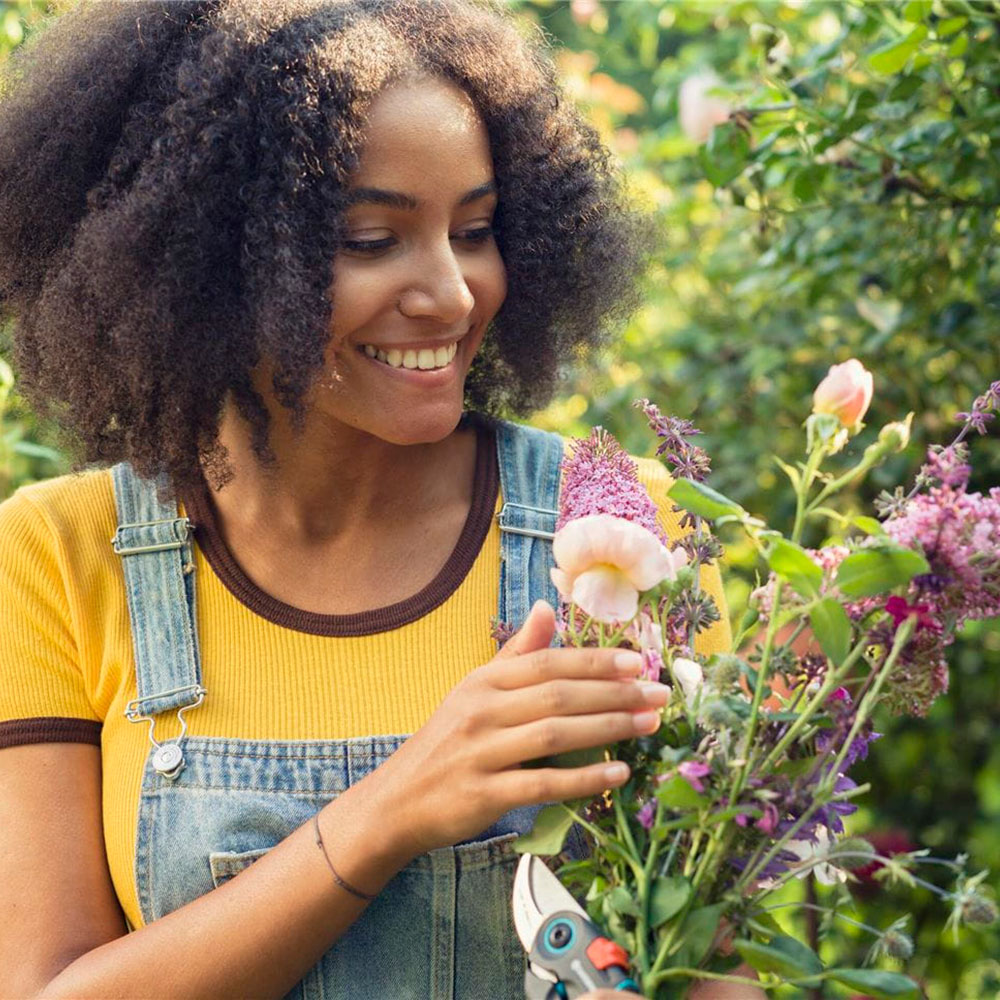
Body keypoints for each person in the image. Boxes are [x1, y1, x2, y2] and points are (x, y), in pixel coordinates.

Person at [0, 2, 760, 997]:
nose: (449, 293)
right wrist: (396, 805)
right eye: (372, 238)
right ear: (211, 262)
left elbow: (709, 974)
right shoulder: (61, 557)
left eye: (477, 230)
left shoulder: (611, 537)